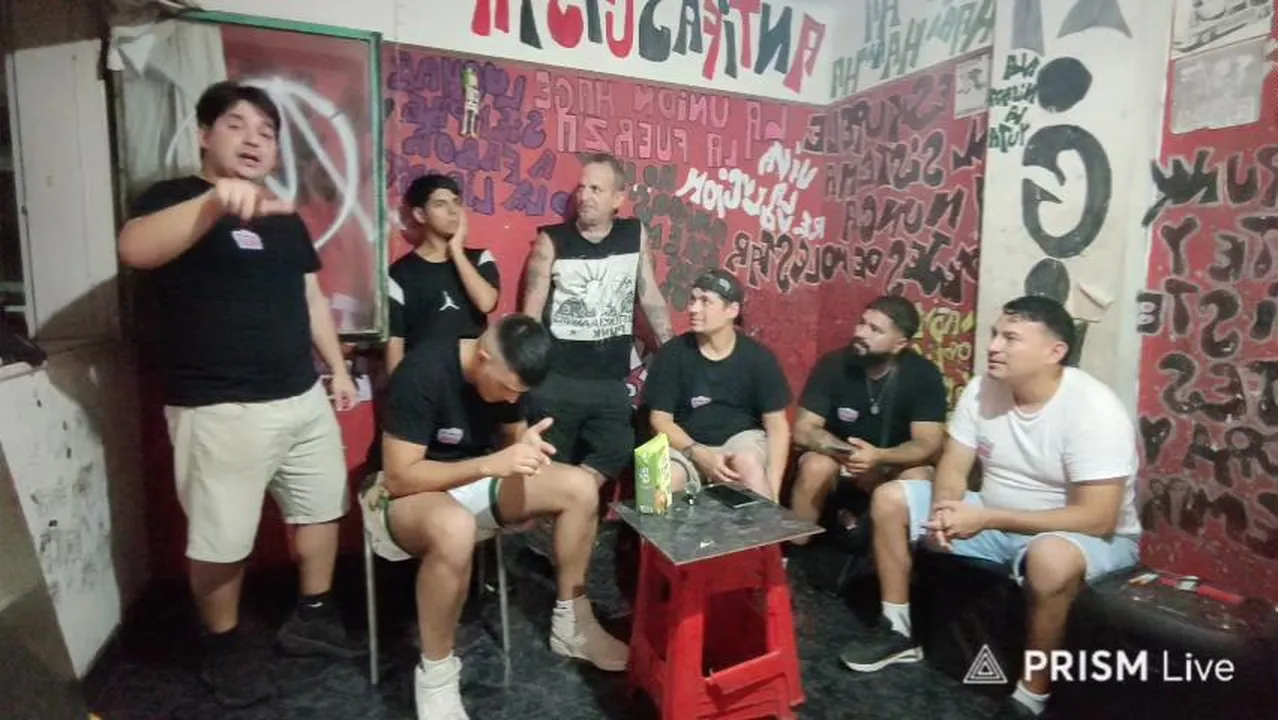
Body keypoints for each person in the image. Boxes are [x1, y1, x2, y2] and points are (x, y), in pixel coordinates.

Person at [117, 81, 360, 708]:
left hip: (300, 395)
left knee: (321, 507)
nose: (254, 139)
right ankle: (223, 644)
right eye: (236, 125)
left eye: (266, 132)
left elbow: (310, 298)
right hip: (219, 405)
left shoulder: (283, 216)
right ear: (204, 134)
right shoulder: (173, 199)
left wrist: (336, 370)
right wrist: (212, 205)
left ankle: (313, 615)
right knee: (221, 538)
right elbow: (134, 249)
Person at [838, 296, 1141, 719]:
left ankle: (1031, 695)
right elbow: (953, 465)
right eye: (996, 334)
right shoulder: (983, 389)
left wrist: (989, 518)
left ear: (1055, 352)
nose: (994, 346)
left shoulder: (1093, 408)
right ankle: (897, 630)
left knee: (1049, 558)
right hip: (996, 516)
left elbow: (1098, 517)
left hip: (1082, 535)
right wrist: (945, 508)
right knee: (892, 498)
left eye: (1010, 338)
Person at [360, 314, 629, 719]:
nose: (509, 398)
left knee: (580, 487)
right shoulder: (421, 373)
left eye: (518, 393)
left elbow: (511, 439)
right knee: (454, 527)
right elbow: (400, 477)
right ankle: (436, 675)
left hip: (473, 477)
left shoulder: (508, 379)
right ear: (483, 357)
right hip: (402, 493)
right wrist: (489, 466)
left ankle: (572, 623)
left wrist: (525, 448)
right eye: (507, 388)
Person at [522, 152, 673, 488]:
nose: (584, 196)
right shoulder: (552, 240)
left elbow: (649, 295)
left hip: (610, 383)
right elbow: (530, 312)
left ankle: (579, 498)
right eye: (581, 187)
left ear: (618, 199)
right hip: (556, 381)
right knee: (548, 474)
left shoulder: (633, 234)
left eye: (595, 189)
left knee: (614, 451)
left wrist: (672, 351)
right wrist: (526, 375)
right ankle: (569, 508)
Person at [789, 295, 948, 546]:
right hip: (840, 458)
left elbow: (928, 443)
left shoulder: (923, 375)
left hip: (894, 462)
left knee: (919, 476)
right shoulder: (833, 364)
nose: (860, 333)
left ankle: (901, 560)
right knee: (815, 466)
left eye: (875, 330)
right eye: (862, 323)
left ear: (899, 344)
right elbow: (804, 429)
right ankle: (795, 552)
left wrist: (880, 457)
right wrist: (852, 455)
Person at [643, 269, 791, 500]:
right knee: (663, 478)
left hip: (740, 442)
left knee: (748, 463)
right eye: (693, 300)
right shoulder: (673, 354)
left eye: (705, 302)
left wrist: (773, 490)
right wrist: (697, 453)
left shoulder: (758, 358)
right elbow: (659, 420)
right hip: (686, 445)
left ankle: (766, 521)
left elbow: (777, 426)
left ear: (732, 310)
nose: (693, 309)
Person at [386, 173, 499, 374]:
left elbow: (486, 303)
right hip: (425, 379)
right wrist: (400, 388)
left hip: (474, 381)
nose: (452, 211)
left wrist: (456, 251)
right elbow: (394, 348)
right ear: (420, 215)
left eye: (456, 202)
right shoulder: (399, 274)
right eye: (440, 204)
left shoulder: (479, 258)